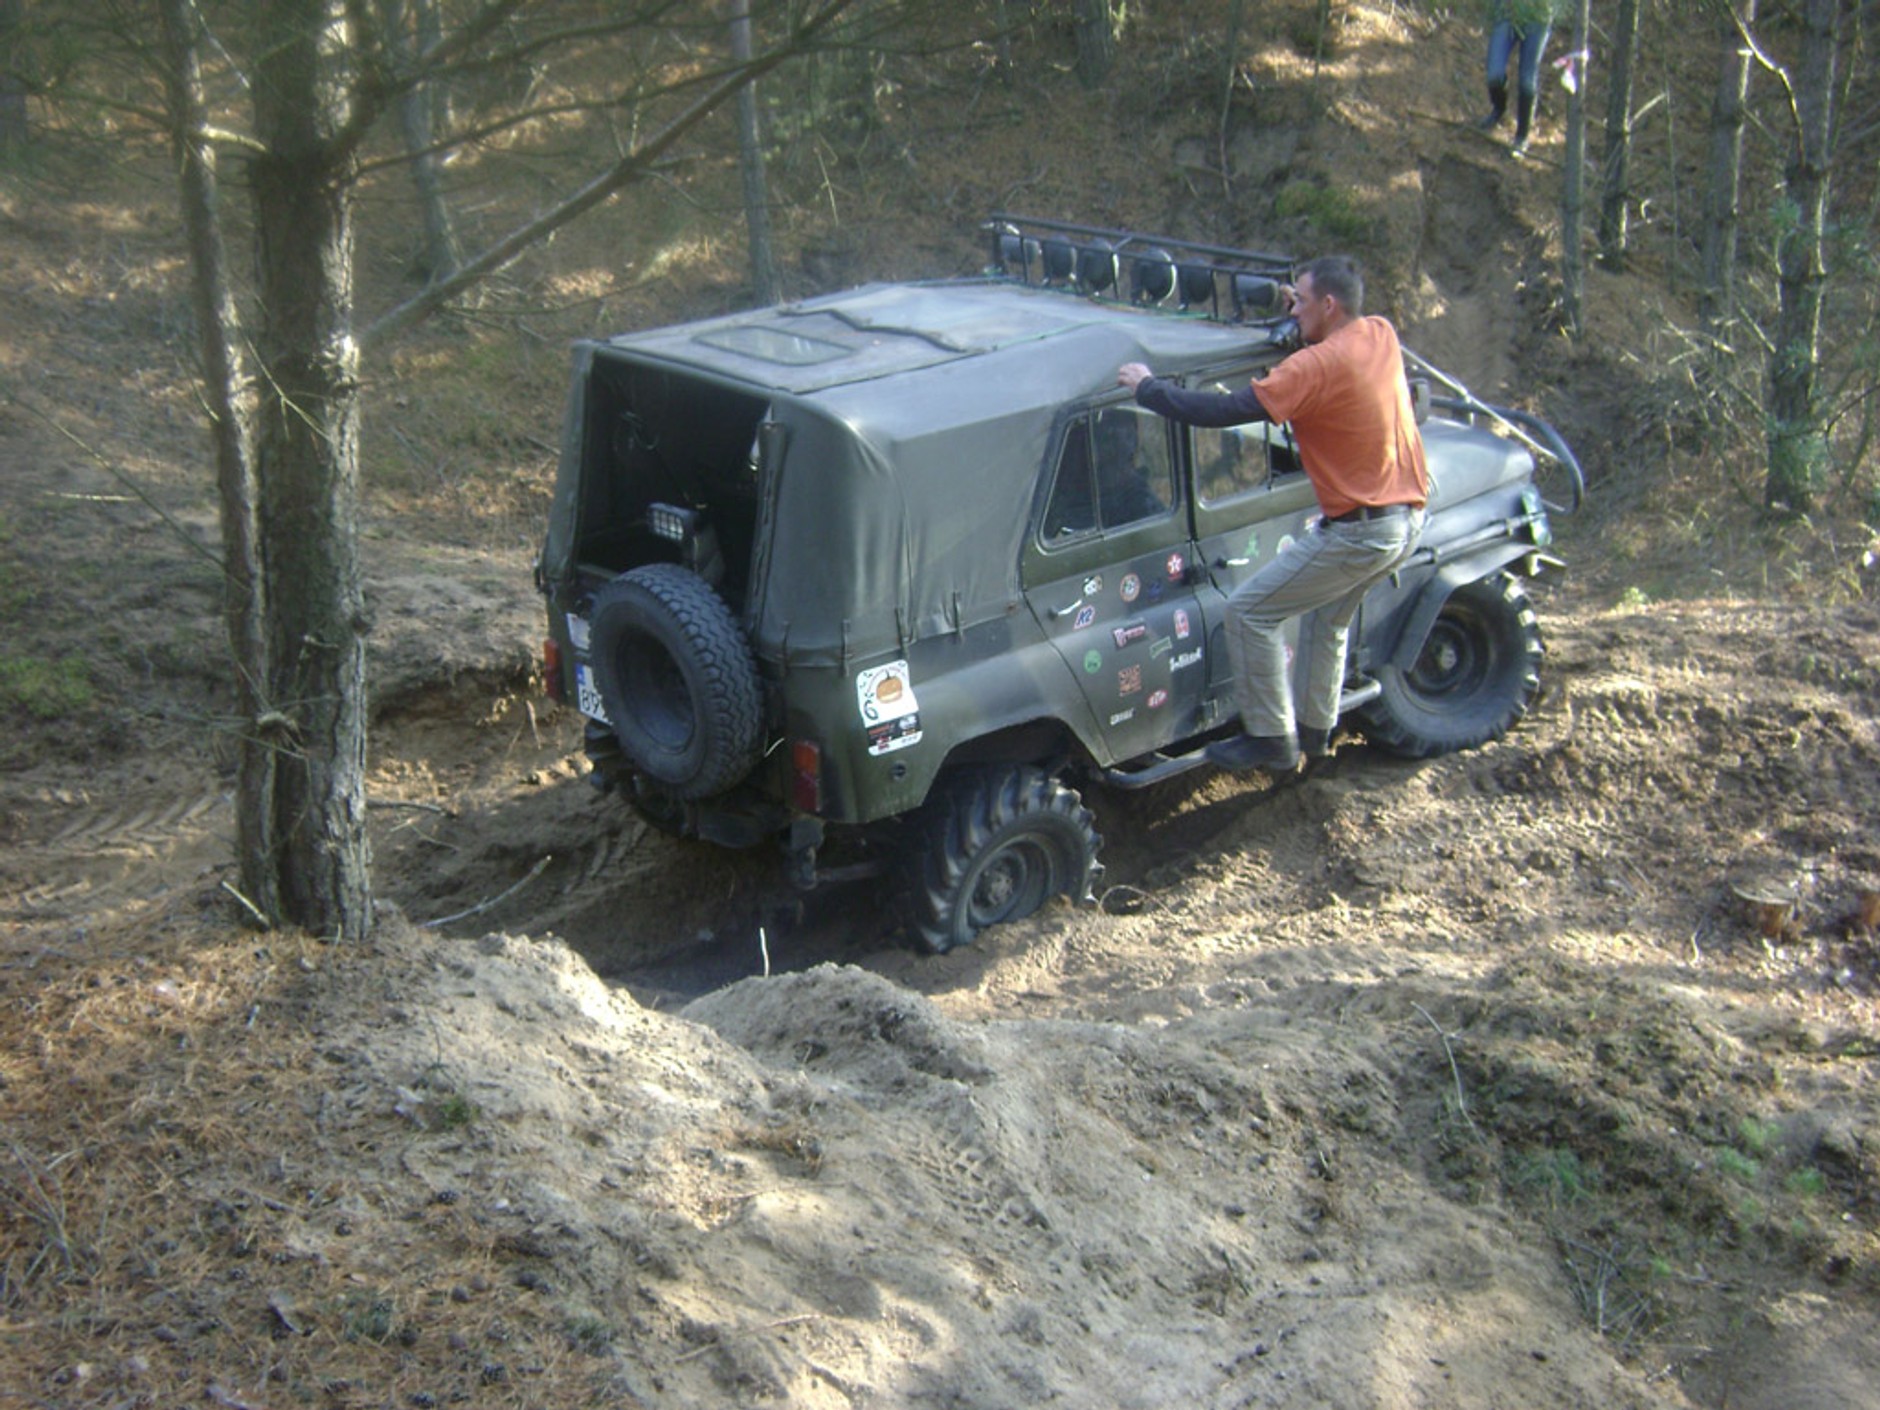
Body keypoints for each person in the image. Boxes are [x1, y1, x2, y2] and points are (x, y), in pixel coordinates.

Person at [1117, 256, 1428, 775]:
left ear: (1328, 305)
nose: (1294, 308)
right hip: (1406, 521)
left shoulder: (1313, 368)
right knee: (1328, 621)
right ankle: (1314, 731)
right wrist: (1305, 316)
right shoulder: (1380, 333)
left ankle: (1271, 738)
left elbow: (1220, 412)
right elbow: (1327, 344)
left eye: (1302, 301)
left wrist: (1148, 389)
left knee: (1248, 613)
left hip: (1359, 533)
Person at [1475, 0, 1561, 156]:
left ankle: (1522, 137)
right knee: (1494, 75)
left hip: (1538, 18)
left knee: (1527, 83)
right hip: (1508, 12)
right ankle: (1499, 109)